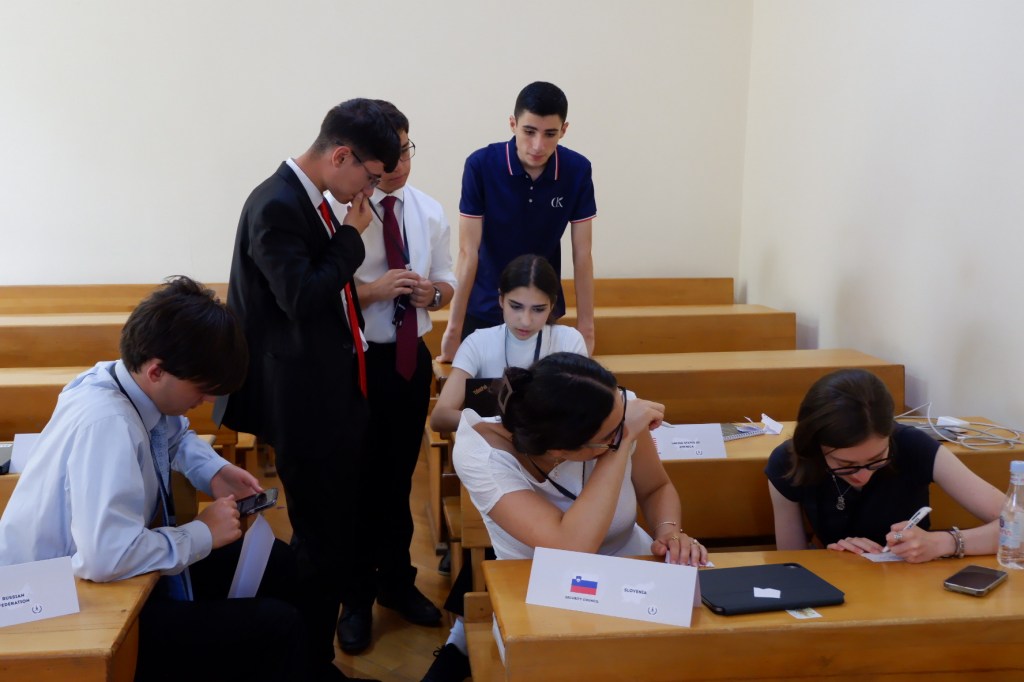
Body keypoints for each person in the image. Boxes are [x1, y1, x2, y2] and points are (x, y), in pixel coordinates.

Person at [0, 277, 316, 681]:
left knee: (281, 563)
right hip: (66, 604)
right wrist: (201, 532)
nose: (206, 401)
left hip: (113, 578)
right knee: (276, 626)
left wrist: (214, 470)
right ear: (156, 371)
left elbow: (174, 434)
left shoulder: (117, 380)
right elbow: (106, 558)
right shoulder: (109, 425)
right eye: (202, 390)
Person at [219, 98, 399, 676]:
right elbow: (300, 296)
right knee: (320, 544)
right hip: (301, 405)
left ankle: (311, 656)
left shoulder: (305, 198)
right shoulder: (277, 204)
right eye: (369, 177)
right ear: (341, 155)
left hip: (325, 398)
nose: (367, 192)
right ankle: (311, 664)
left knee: (331, 534)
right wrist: (351, 237)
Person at [423, 352, 706, 681]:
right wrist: (622, 441)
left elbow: (656, 487)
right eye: (610, 436)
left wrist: (669, 532)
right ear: (560, 451)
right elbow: (570, 548)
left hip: (633, 573)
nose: (623, 423)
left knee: (680, 659)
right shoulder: (482, 454)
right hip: (542, 589)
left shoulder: (613, 409)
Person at [325, 100, 455, 653]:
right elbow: (319, 293)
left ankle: (397, 583)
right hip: (355, 362)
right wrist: (377, 291)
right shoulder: (341, 212)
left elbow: (447, 280)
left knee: (398, 478)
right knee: (357, 481)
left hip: (408, 361)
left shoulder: (428, 210)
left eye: (406, 150)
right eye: (390, 153)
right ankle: (355, 597)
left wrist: (433, 294)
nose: (399, 163)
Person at [765, 369, 1003, 562]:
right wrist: (833, 557)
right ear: (815, 446)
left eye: (877, 459)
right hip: (842, 584)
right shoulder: (787, 463)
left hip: (916, 585)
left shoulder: (913, 445)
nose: (863, 476)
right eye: (846, 465)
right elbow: (791, 563)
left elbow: (1017, 526)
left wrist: (943, 542)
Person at [437, 81, 597, 364]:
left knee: (539, 389)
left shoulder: (577, 170)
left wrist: (587, 328)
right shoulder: (481, 165)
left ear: (564, 130)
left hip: (542, 307)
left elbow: (582, 254)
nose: (538, 145)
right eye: (529, 131)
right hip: (485, 303)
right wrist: (453, 329)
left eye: (550, 134)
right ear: (513, 124)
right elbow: (467, 251)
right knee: (480, 390)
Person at [431, 253, 586, 434]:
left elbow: (583, 412)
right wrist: (503, 428)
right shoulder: (478, 342)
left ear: (552, 305)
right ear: (501, 299)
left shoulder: (569, 341)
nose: (525, 321)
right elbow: (440, 417)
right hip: (493, 447)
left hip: (550, 446)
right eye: (516, 306)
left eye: (538, 309)